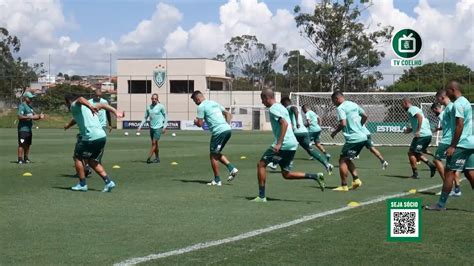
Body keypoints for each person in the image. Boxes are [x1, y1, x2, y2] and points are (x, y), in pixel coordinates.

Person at [253, 89, 324, 202]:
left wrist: (279, 143)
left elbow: (284, 124)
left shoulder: (273, 109)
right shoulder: (282, 107)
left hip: (284, 143)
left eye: (262, 100)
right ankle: (315, 176)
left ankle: (261, 196)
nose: (262, 102)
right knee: (286, 174)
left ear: (267, 98)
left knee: (261, 165)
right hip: (292, 143)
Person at [426, 81, 473, 211]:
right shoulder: (466, 102)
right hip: (471, 142)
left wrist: (452, 146)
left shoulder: (457, 104)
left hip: (461, 143)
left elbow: (460, 125)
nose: (447, 93)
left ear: (453, 90)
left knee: (449, 173)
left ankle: (440, 205)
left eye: (448, 91)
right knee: (469, 172)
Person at [64, 95, 124, 192]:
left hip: (90, 136)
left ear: (68, 102)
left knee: (77, 157)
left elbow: (80, 98)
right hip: (102, 136)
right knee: (92, 161)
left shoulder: (74, 105)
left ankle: (82, 184)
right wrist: (115, 112)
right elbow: (103, 105)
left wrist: (90, 106)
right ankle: (108, 182)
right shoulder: (89, 106)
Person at [191, 90, 238, 186]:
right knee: (216, 153)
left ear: (198, 99)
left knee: (213, 155)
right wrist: (226, 125)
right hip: (227, 130)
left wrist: (195, 121)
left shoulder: (201, 107)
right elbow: (228, 114)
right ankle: (232, 168)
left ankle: (217, 180)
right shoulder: (214, 103)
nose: (195, 103)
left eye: (195, 101)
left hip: (218, 132)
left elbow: (200, 124)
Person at [279, 97, 333, 175]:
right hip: (304, 132)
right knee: (310, 149)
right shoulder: (295, 108)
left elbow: (294, 110)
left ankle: (275, 164)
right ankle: (327, 164)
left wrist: (297, 122)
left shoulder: (289, 107)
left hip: (296, 132)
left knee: (284, 146)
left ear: (284, 103)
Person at [330, 91, 367, 192]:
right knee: (348, 159)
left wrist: (334, 132)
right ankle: (356, 180)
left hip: (353, 139)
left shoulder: (341, 108)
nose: (334, 104)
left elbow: (343, 123)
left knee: (342, 160)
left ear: (337, 99)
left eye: (333, 101)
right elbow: (365, 116)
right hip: (363, 137)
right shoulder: (353, 104)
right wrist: (359, 127)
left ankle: (344, 185)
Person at [430, 91, 461, 196]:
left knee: (436, 159)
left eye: (437, 99)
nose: (437, 101)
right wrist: (439, 128)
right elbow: (449, 124)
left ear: (441, 97)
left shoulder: (451, 107)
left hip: (448, 140)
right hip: (452, 140)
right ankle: (457, 189)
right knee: (452, 166)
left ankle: (447, 187)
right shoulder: (449, 108)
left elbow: (459, 122)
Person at [401, 98, 436, 179]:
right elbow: (418, 121)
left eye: (402, 105)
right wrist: (408, 130)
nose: (402, 107)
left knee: (411, 153)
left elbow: (419, 117)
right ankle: (431, 166)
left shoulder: (411, 109)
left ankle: (415, 174)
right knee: (416, 153)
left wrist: (418, 131)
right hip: (428, 135)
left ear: (405, 103)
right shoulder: (416, 109)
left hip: (422, 135)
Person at [137, 93, 167, 164]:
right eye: (153, 99)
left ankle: (149, 158)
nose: (154, 100)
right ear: (151, 99)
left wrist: (164, 126)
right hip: (151, 128)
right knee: (155, 144)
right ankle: (157, 158)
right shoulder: (148, 107)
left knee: (153, 143)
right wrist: (140, 126)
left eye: (155, 99)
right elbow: (145, 118)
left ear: (157, 99)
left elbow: (166, 116)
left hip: (158, 128)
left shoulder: (161, 107)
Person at [17, 91, 45, 164]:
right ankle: (20, 159)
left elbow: (34, 116)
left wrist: (39, 117)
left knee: (28, 144)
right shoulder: (22, 106)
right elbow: (19, 116)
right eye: (30, 98)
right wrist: (31, 116)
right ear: (25, 98)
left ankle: (26, 158)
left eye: (32, 98)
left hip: (29, 130)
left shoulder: (30, 107)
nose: (31, 99)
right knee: (22, 144)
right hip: (22, 129)